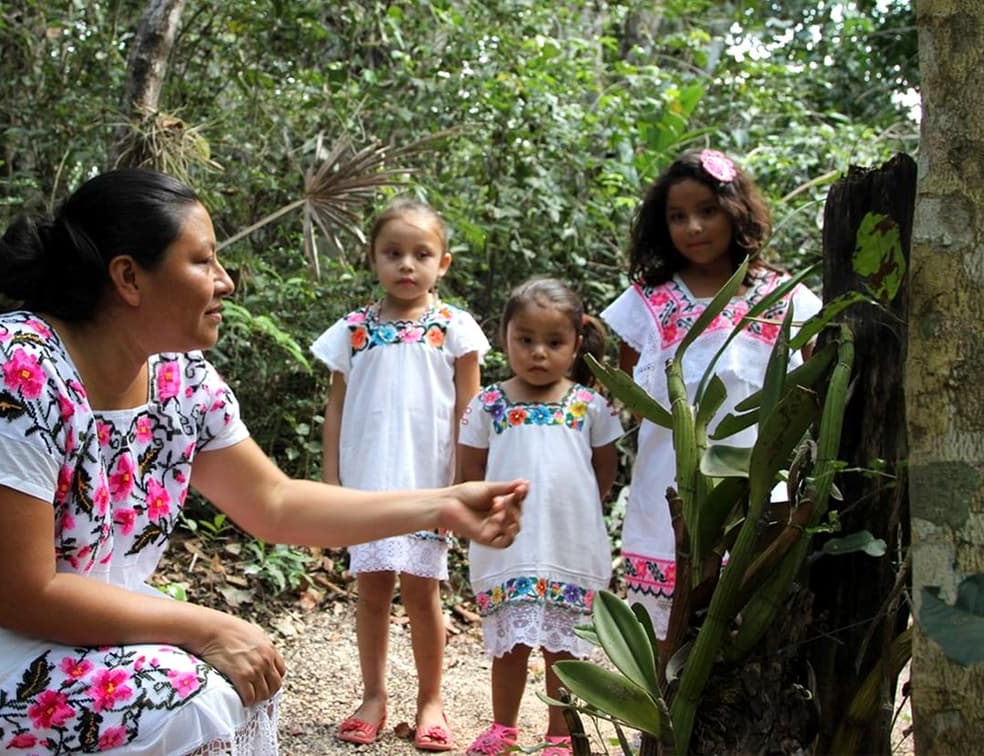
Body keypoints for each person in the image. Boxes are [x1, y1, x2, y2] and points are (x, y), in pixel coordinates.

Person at [0, 169, 527, 756]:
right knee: (192, 696)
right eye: (203, 260)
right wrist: (204, 625)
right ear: (129, 277)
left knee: (246, 681)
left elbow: (275, 503)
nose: (226, 281)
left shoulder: (180, 380)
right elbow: (21, 593)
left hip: (51, 630)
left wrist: (441, 504)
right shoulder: (6, 370)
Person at [600, 148, 821, 641]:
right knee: (669, 636)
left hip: (766, 493)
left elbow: (812, 386)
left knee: (755, 631)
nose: (694, 227)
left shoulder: (784, 296)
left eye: (707, 211)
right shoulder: (647, 301)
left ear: (736, 211)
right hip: (670, 491)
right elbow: (632, 393)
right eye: (678, 216)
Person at [310, 198, 489, 751]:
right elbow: (337, 407)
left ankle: (431, 700)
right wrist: (331, 479)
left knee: (422, 592)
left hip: (428, 480)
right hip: (367, 481)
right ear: (373, 259)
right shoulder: (353, 330)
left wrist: (466, 483)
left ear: (443, 263)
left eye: (421, 254)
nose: (407, 265)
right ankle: (373, 696)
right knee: (371, 591)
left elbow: (470, 409)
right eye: (393, 253)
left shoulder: (454, 328)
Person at [457, 278, 621, 756]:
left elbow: (604, 472)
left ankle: (560, 733)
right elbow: (471, 472)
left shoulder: (590, 405)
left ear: (576, 343)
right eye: (525, 339)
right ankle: (503, 729)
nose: (538, 353)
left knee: (563, 647)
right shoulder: (489, 404)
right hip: (509, 544)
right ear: (504, 335)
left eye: (554, 342)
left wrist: (576, 508)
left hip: (570, 543)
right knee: (510, 644)